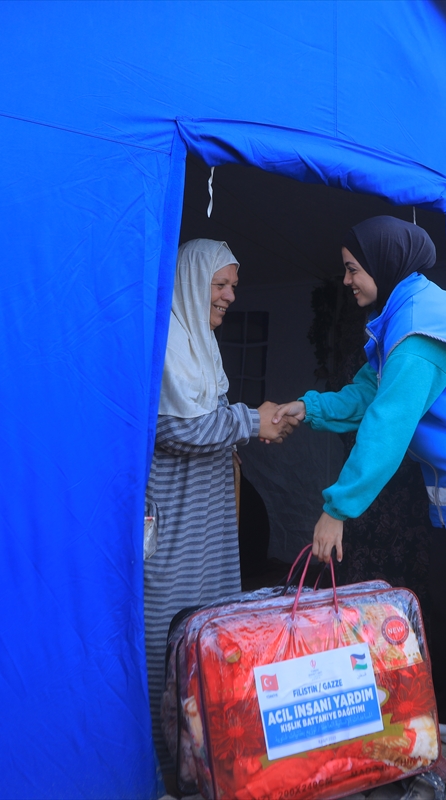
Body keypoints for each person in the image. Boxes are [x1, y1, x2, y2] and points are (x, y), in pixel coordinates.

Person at [272, 216, 446, 797]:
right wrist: (307, 408)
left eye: (353, 268)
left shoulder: (421, 328)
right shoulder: (402, 314)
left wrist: (338, 509)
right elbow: (366, 394)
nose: (347, 279)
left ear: (383, 261)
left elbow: (387, 425)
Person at [144, 238, 296, 772]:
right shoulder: (163, 342)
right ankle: (164, 762)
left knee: (211, 629)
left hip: (210, 519)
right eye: (221, 283)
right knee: (168, 631)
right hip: (178, 518)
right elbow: (181, 430)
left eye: (234, 285)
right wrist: (253, 421)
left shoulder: (200, 345)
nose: (231, 295)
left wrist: (251, 424)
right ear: (190, 282)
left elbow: (213, 419)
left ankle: (207, 757)